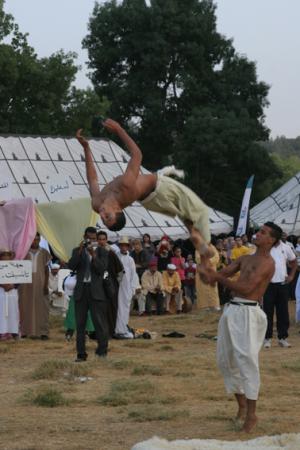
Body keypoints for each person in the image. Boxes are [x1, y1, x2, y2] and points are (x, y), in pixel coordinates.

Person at [76, 119, 212, 259]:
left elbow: (92, 179)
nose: (102, 215)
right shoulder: (125, 187)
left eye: (103, 219)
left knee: (191, 214)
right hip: (160, 190)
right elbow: (137, 154)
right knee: (195, 211)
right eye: (108, 217)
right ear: (117, 210)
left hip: (151, 197)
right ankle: (203, 245)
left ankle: (202, 244)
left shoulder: (97, 204)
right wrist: (119, 130)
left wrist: (86, 148)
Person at [197, 222, 281, 433]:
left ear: (270, 240)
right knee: (225, 360)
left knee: (247, 361)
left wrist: (217, 278)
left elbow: (245, 288)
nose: (258, 234)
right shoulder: (245, 258)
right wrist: (207, 265)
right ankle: (242, 405)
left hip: (248, 312)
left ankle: (252, 414)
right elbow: (218, 275)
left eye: (263, 232)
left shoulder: (268, 263)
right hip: (232, 310)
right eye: (259, 230)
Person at [68, 227, 109, 361]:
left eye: (93, 239)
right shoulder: (77, 250)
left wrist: (93, 255)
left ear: (96, 239)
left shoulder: (102, 251)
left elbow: (101, 269)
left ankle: (101, 351)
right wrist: (80, 251)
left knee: (99, 323)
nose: (90, 241)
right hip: (81, 291)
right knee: (80, 325)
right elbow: (71, 266)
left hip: (96, 291)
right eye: (88, 238)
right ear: (84, 237)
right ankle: (81, 354)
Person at [263, 232, 297, 349]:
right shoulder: (264, 247)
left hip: (283, 284)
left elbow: (294, 261)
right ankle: (267, 338)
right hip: (268, 285)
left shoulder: (286, 247)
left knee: (283, 312)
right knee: (267, 311)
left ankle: (282, 338)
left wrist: (291, 276)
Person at [19, 233, 51, 339]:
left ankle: (43, 332)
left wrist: (46, 285)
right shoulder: (23, 251)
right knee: (24, 306)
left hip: (40, 283)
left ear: (40, 240)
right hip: (25, 284)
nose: (35, 242)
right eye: (33, 239)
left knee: (42, 307)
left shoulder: (45, 252)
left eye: (37, 240)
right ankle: (24, 331)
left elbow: (47, 270)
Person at [97, 230, 124, 337]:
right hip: (98, 285)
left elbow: (120, 270)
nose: (101, 241)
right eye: (99, 239)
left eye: (103, 239)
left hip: (111, 285)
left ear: (106, 240)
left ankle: (110, 332)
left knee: (111, 308)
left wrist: (115, 284)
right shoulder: (94, 253)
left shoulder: (111, 253)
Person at [114, 237, 139, 338]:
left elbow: (133, 275)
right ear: (119, 246)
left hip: (127, 288)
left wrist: (133, 288)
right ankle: (117, 329)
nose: (123, 247)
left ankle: (123, 328)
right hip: (117, 287)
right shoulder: (116, 257)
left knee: (125, 308)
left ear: (128, 247)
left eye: (125, 245)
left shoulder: (130, 259)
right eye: (122, 245)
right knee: (117, 308)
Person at [0, 249, 19, 340]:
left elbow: (21, 278)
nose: (5, 259)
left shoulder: (16, 267)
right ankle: (1, 332)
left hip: (12, 293)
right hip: (1, 292)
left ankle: (14, 332)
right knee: (1, 312)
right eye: (3, 257)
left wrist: (12, 286)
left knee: (13, 312)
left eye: (7, 257)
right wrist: (3, 285)